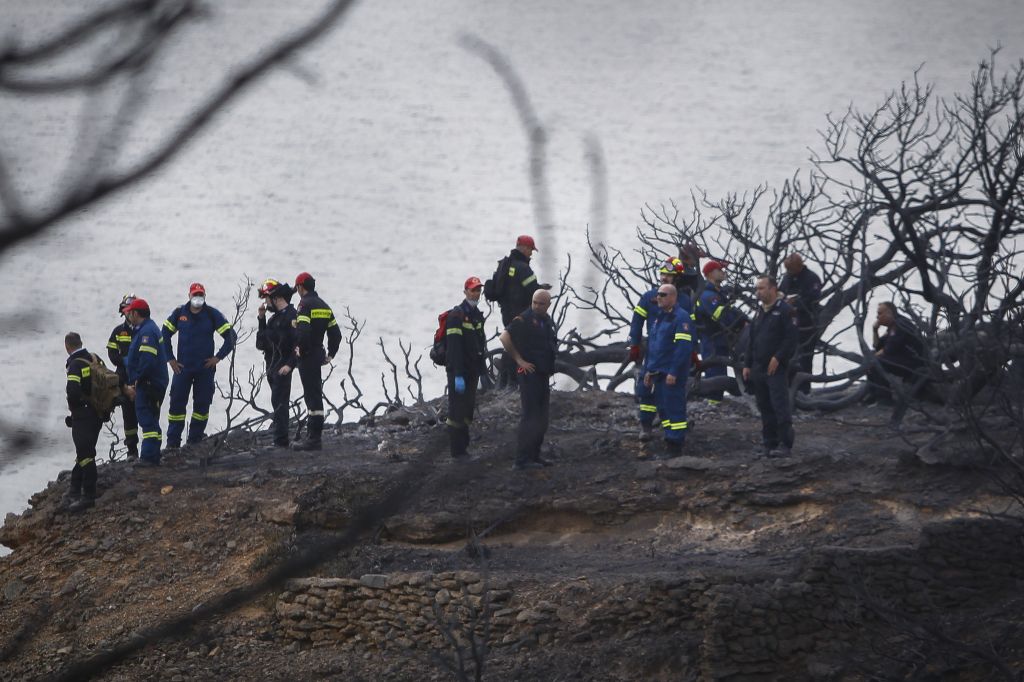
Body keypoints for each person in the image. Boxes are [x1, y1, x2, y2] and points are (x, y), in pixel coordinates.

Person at [161, 283, 236, 449]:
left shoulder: (212, 314)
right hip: (182, 369)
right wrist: (170, 359)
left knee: (202, 406)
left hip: (205, 370)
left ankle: (194, 440)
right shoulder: (180, 313)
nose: (197, 298)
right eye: (195, 295)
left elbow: (231, 337)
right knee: (176, 406)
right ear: (189, 295)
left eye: (200, 295)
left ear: (204, 296)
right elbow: (164, 334)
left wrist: (218, 357)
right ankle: (172, 444)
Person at [627, 257, 694, 441]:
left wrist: (693, 351)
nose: (664, 277)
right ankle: (646, 426)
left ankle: (672, 432)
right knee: (645, 389)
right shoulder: (650, 297)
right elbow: (637, 321)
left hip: (675, 353)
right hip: (654, 350)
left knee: (670, 393)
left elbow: (691, 328)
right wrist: (634, 343)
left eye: (669, 275)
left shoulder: (685, 302)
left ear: (677, 278)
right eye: (663, 273)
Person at [500, 289, 558, 470]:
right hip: (528, 374)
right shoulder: (523, 319)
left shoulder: (546, 321)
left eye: (541, 303)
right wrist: (519, 360)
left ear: (548, 305)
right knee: (530, 416)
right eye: (535, 302)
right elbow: (504, 337)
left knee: (542, 417)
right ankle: (522, 459)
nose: (537, 306)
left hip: (542, 373)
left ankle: (535, 455)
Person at [742, 276, 799, 457]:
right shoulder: (759, 311)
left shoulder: (785, 310)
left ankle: (785, 443)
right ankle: (769, 442)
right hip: (758, 367)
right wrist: (747, 364)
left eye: (762, 288)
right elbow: (752, 339)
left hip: (776, 367)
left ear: (773, 289)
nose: (758, 292)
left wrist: (778, 357)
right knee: (764, 406)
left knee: (779, 405)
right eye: (756, 288)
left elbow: (791, 339)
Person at [642, 285, 694, 458]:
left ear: (673, 297)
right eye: (658, 295)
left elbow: (683, 349)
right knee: (663, 409)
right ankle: (669, 439)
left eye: (663, 295)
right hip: (658, 372)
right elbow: (654, 347)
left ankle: (676, 445)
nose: (659, 297)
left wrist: (673, 372)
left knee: (675, 409)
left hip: (672, 374)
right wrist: (649, 371)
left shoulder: (681, 318)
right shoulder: (660, 318)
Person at [292, 272, 342, 451]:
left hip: (307, 356)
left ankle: (314, 439)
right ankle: (314, 436)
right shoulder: (324, 306)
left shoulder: (304, 305)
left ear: (300, 287)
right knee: (315, 393)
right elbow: (336, 334)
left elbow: (303, 332)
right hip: (318, 354)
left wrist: (301, 349)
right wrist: (331, 354)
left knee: (311, 396)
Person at [495, 235, 548, 388]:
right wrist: (542, 290)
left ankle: (504, 380)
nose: (531, 253)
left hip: (506, 312)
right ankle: (513, 381)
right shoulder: (523, 268)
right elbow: (532, 291)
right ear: (524, 248)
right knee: (520, 346)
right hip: (520, 313)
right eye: (531, 250)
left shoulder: (505, 265)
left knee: (511, 344)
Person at [444, 277, 488, 459]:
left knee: (467, 410)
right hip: (459, 371)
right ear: (465, 292)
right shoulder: (457, 316)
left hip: (472, 371)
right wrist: (457, 375)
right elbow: (454, 348)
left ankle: (464, 448)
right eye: (472, 290)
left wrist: (481, 369)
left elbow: (478, 344)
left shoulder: (476, 314)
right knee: (457, 412)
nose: (476, 293)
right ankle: (457, 451)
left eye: (478, 290)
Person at [122, 298, 169, 467]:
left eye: (130, 312)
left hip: (148, 384)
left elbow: (147, 361)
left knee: (147, 419)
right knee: (152, 420)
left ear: (136, 313)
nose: (128, 315)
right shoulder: (146, 329)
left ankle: (148, 458)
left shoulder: (147, 332)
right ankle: (154, 455)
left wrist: (137, 380)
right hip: (152, 382)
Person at [694, 260, 747, 404]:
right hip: (711, 340)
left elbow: (729, 309)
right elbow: (722, 316)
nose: (724, 272)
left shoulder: (718, 292)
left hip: (721, 339)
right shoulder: (707, 296)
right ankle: (712, 403)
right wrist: (740, 320)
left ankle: (716, 400)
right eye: (720, 270)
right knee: (715, 372)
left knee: (720, 370)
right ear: (710, 274)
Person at [63, 332, 104, 512]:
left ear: (67, 346)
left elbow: (72, 391)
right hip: (98, 413)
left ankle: (88, 495)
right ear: (81, 343)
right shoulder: (94, 358)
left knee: (86, 455)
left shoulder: (75, 364)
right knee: (85, 451)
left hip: (83, 416)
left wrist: (76, 412)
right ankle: (74, 486)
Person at [255, 279, 298, 448]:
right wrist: (261, 319)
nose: (265, 303)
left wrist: (290, 365)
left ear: (277, 298)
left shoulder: (292, 316)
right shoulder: (273, 320)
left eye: (267, 298)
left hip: (283, 367)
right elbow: (260, 344)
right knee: (276, 402)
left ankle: (281, 442)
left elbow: (298, 343)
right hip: (271, 366)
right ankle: (279, 439)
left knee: (281, 403)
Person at [866, 301, 929, 405]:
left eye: (880, 313)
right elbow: (877, 347)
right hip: (902, 359)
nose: (877, 317)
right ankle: (873, 394)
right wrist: (875, 330)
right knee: (873, 358)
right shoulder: (891, 327)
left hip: (914, 363)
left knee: (877, 361)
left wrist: (871, 360)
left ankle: (885, 399)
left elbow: (888, 350)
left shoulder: (901, 324)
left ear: (889, 313)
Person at [779, 253, 823, 393]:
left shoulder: (812, 278)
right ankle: (788, 386)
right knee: (788, 356)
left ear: (799, 266)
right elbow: (781, 292)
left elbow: (814, 298)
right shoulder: (787, 278)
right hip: (789, 325)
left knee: (805, 358)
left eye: (791, 269)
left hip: (807, 324)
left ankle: (804, 389)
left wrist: (796, 303)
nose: (789, 272)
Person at [107, 293, 139, 458]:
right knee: (128, 416)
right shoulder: (118, 331)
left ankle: (151, 449)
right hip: (124, 378)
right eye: (127, 310)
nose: (130, 313)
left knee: (146, 413)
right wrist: (123, 361)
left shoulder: (144, 329)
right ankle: (132, 451)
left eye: (133, 310)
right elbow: (111, 352)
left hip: (142, 377)